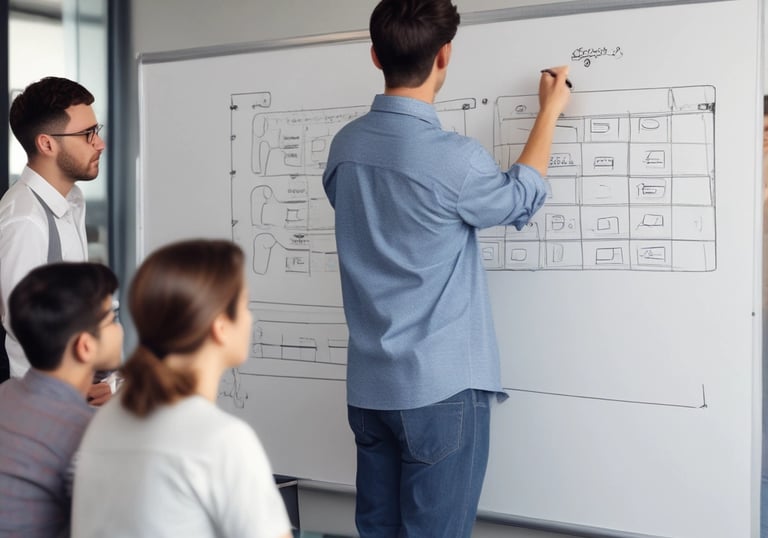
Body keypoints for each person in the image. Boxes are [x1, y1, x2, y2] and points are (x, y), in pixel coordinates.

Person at [321, 0, 571, 535]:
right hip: (440, 394)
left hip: (368, 391)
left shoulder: (345, 148)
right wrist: (549, 111)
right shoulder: (455, 159)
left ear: (374, 55)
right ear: (444, 56)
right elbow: (519, 199)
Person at [72, 239, 292, 538]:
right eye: (244, 306)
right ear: (220, 326)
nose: (250, 318)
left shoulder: (105, 423)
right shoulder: (223, 440)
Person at [0, 76, 108, 401]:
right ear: (47, 144)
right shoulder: (25, 220)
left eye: (96, 130)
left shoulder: (71, 200)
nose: (99, 143)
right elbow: (23, 327)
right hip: (41, 404)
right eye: (87, 134)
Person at [0, 262, 122, 536]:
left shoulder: (5, 393)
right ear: (85, 346)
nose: (119, 328)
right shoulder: (91, 434)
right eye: (112, 319)